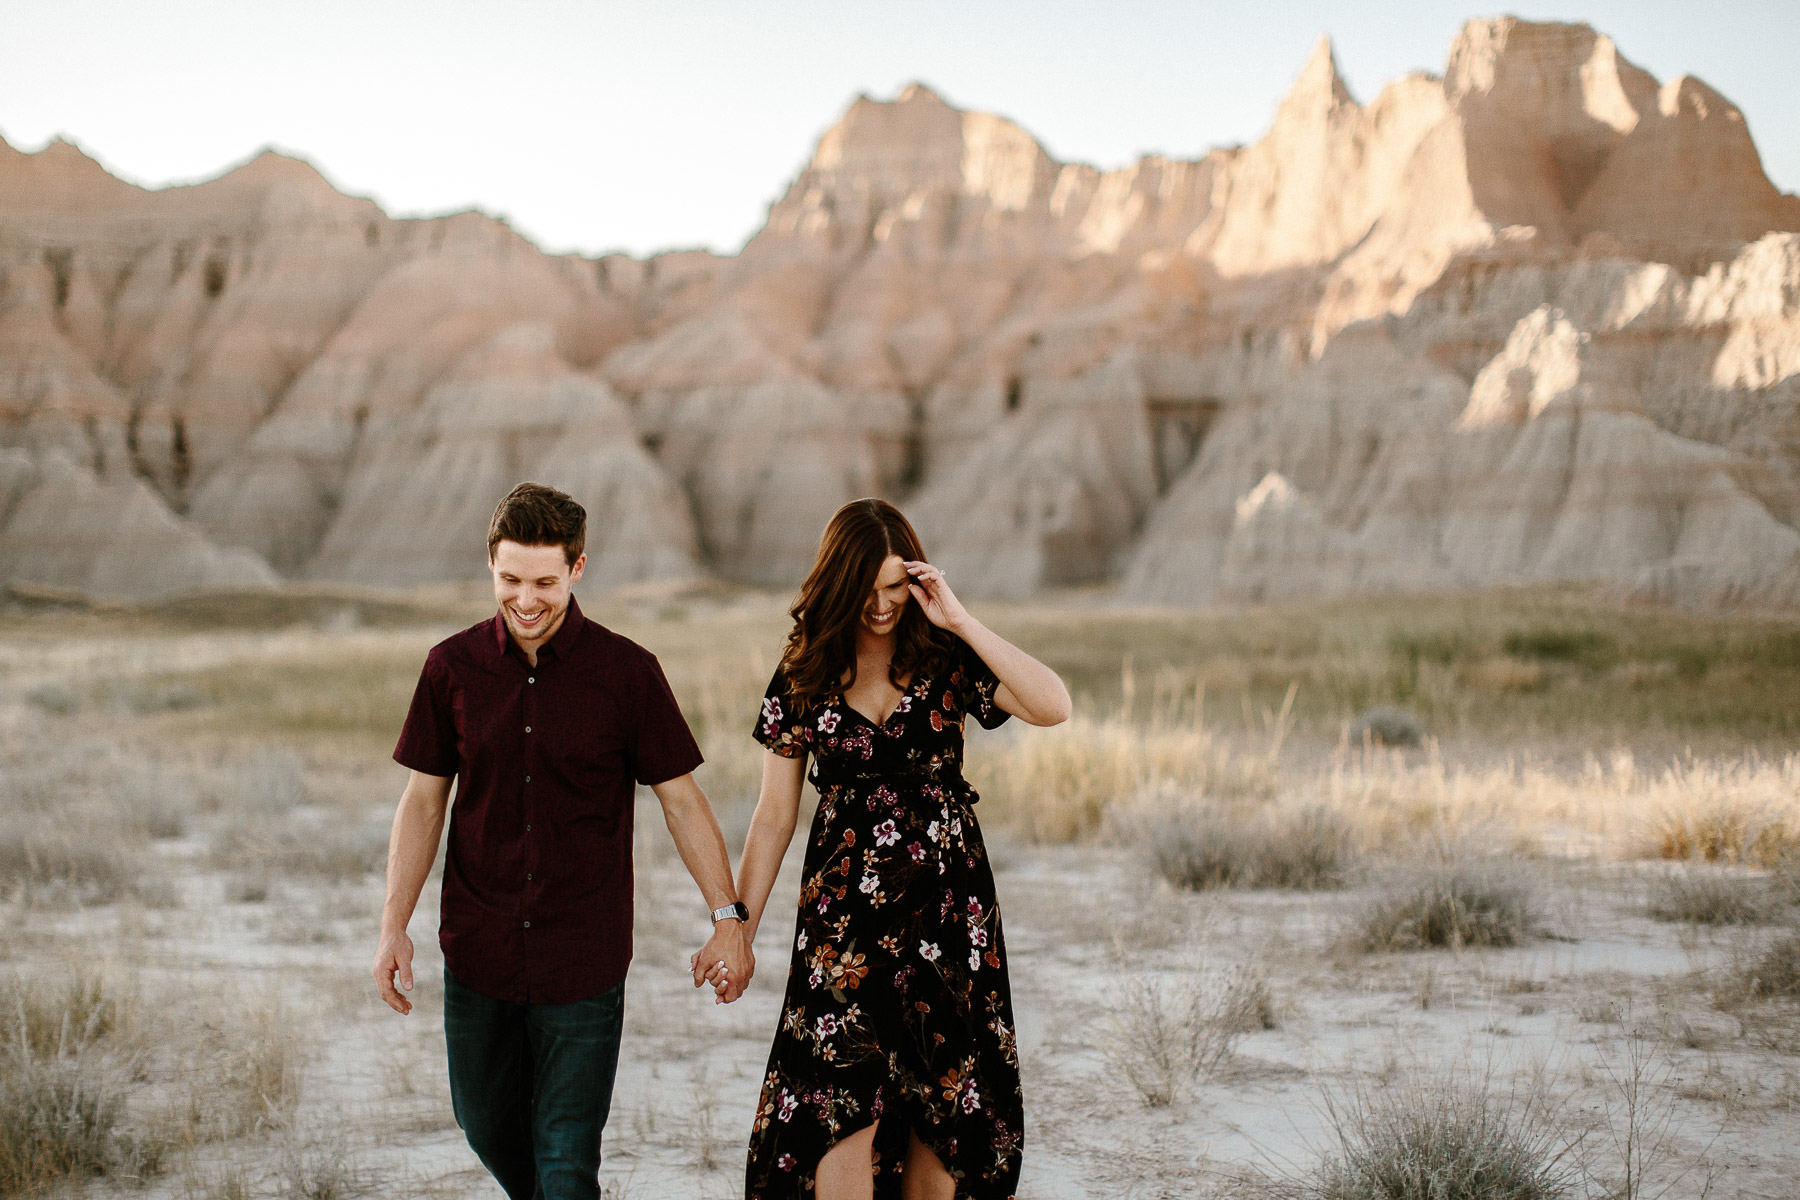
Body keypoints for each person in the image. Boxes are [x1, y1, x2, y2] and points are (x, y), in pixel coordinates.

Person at [372, 481, 754, 1200]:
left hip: (583, 958)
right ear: (490, 566)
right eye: (510, 579)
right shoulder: (450, 668)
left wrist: (727, 919)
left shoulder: (628, 674)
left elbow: (683, 803)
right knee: (482, 1123)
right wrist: (393, 926)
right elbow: (422, 805)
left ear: (578, 570)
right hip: (479, 950)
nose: (526, 599)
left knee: (567, 1155)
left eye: (545, 581)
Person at [719, 498, 1071, 1200]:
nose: (882, 605)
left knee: (938, 1118)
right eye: (867, 588)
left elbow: (1052, 703)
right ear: (838, 582)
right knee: (834, 1112)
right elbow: (772, 818)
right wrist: (738, 929)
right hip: (840, 928)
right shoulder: (804, 671)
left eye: (894, 586)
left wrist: (960, 619)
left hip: (946, 919)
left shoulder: (944, 655)